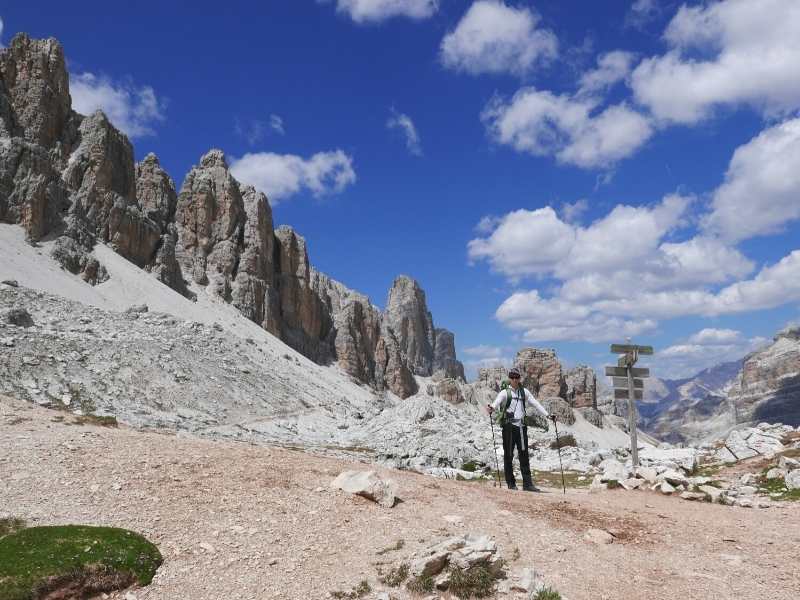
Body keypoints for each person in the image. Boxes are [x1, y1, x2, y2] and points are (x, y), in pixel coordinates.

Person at [487, 368, 549, 492]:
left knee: (524, 455)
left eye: (517, 377)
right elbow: (496, 402)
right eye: (512, 377)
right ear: (509, 378)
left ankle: (527, 484)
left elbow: (535, 404)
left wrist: (548, 415)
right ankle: (511, 483)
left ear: (520, 378)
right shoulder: (504, 392)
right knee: (508, 454)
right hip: (508, 427)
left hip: (521, 426)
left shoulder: (524, 392)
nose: (515, 379)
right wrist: (491, 408)